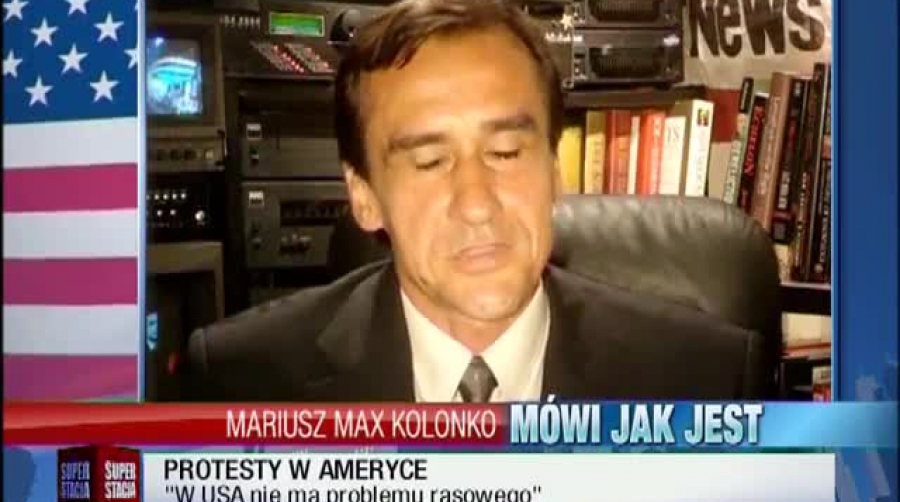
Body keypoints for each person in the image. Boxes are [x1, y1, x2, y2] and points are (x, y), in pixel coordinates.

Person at [184, 0, 764, 402]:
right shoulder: (239, 380)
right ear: (364, 196)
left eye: (507, 153)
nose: (477, 203)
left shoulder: (707, 379)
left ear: (553, 169)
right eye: (429, 162)